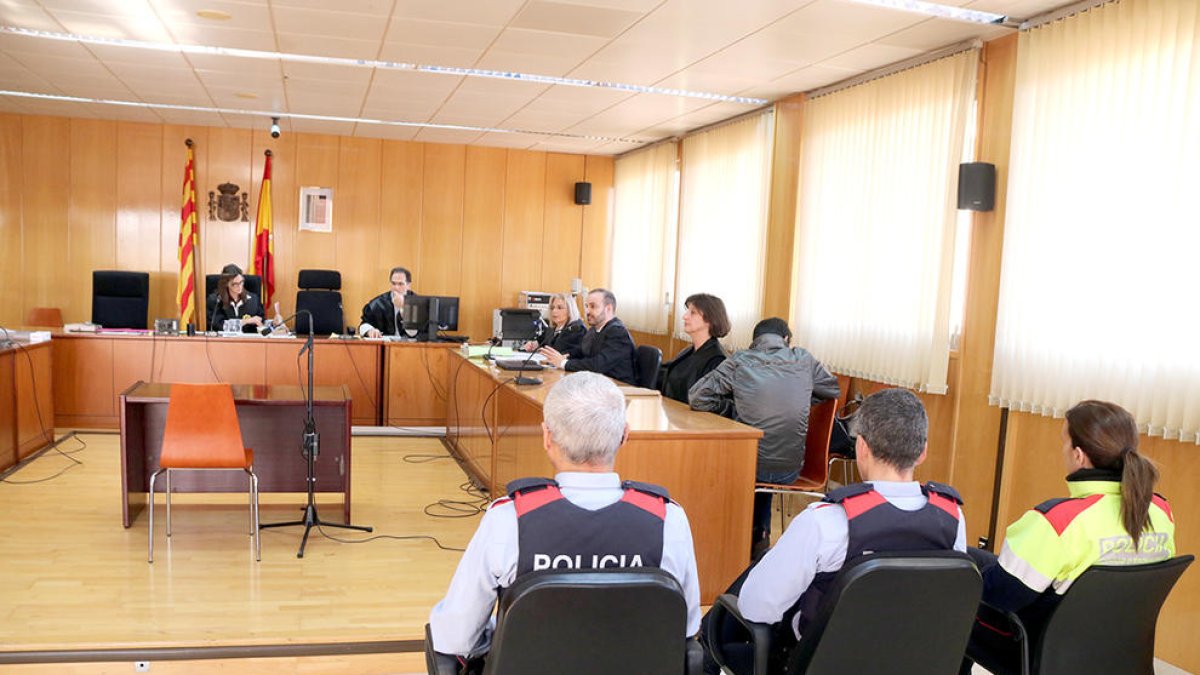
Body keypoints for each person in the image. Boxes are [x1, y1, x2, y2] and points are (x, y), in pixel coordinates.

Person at [428, 372, 702, 665]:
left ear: (547, 436)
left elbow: (456, 638)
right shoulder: (667, 519)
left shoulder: (509, 518)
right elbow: (685, 630)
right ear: (624, 434)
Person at [704, 389, 966, 675]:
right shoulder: (952, 519)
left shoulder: (826, 521)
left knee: (745, 598)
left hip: (814, 664)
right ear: (923, 451)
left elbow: (756, 608)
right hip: (914, 664)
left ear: (862, 447)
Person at [961, 400, 1176, 672]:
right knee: (971, 558)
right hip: (1115, 650)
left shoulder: (1058, 521)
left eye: (1064, 442)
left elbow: (1002, 597)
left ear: (1078, 455)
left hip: (1042, 654)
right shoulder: (1160, 511)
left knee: (950, 589)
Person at [689, 318, 839, 554]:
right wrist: (798, 402)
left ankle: (732, 539)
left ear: (754, 342)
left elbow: (697, 397)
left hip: (749, 466)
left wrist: (732, 409)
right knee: (765, 451)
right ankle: (760, 533)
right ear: (787, 340)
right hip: (791, 469)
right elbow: (832, 390)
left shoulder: (740, 361)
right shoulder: (804, 359)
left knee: (749, 456)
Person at [539, 288, 637, 385]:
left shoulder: (617, 332)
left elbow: (598, 364)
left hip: (618, 387)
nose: (587, 311)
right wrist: (562, 357)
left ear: (608, 309)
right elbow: (581, 351)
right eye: (586, 306)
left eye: (593, 306)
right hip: (598, 383)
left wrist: (564, 363)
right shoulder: (594, 330)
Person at [659, 293, 729, 404]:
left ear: (710, 319)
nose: (685, 316)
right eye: (687, 311)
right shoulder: (687, 352)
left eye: (693, 312)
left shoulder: (717, 360)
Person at [208, 264, 265, 332]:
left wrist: (273, 323)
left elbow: (262, 320)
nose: (239, 286)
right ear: (226, 284)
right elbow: (218, 326)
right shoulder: (215, 301)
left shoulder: (254, 299)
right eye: (235, 284)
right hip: (225, 341)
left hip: (249, 340)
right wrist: (245, 321)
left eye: (241, 282)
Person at [359, 267, 412, 338]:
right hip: (384, 345)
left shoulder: (418, 303)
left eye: (400, 284)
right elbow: (363, 325)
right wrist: (370, 330)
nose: (396, 287)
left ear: (408, 285)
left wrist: (402, 308)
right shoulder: (378, 303)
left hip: (410, 346)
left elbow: (414, 333)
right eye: (393, 283)